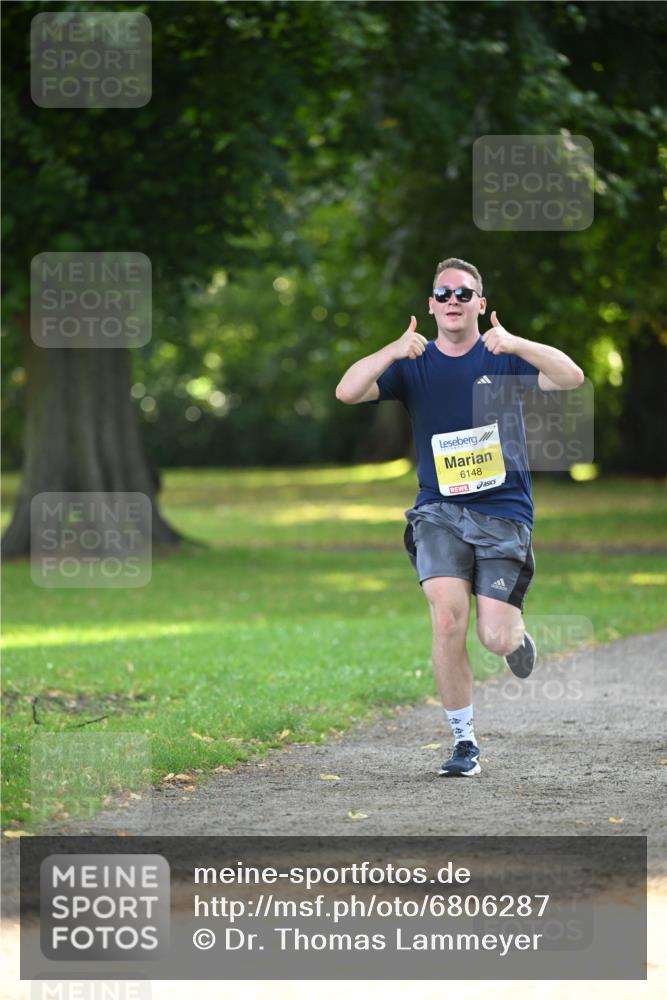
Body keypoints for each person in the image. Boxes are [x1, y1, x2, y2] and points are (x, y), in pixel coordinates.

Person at [335, 257, 584, 777]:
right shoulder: (413, 364)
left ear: (480, 304)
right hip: (438, 511)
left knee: (494, 637)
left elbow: (571, 376)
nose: (453, 301)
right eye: (443, 294)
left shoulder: (503, 357)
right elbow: (347, 391)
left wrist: (516, 343)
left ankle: (515, 636)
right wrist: (391, 350)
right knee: (448, 615)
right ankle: (464, 741)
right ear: (430, 305)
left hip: (503, 513)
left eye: (463, 294)